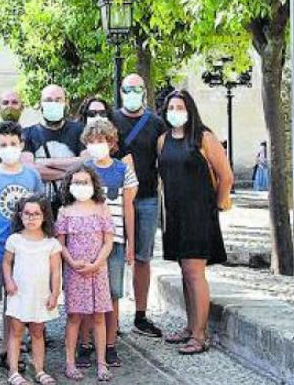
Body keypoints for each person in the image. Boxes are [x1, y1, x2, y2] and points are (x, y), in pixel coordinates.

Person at [158, 90, 232, 355]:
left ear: (189, 109)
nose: (175, 111)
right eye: (171, 107)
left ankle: (201, 336)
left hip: (199, 214)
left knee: (194, 272)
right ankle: (190, 327)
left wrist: (218, 205)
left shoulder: (204, 138)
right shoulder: (163, 140)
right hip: (175, 215)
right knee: (184, 272)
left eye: (180, 106)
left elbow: (226, 175)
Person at [0, 121, 44, 371]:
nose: (9, 148)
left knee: (14, 306)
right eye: (3, 144)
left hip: (22, 253)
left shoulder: (32, 176)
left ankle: (7, 352)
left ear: (21, 145)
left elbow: (41, 213)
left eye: (13, 143)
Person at [111, 74, 167, 338]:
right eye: (128, 88)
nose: (132, 92)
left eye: (137, 89)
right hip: (114, 198)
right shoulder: (111, 119)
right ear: (121, 91)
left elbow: (165, 159)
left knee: (142, 258)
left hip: (145, 198)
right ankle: (112, 318)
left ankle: (141, 316)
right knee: (115, 257)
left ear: (145, 91)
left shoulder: (156, 123)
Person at [79, 120, 137, 368]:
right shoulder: (83, 170)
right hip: (85, 242)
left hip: (114, 242)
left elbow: (128, 210)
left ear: (112, 143)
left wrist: (130, 244)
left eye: (101, 141)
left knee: (112, 294)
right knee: (85, 295)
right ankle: (84, 344)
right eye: (91, 142)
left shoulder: (123, 171)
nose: (96, 146)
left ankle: (110, 345)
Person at [56, 165, 114, 382]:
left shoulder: (102, 208)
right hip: (75, 271)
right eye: (76, 182)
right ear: (69, 185)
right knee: (74, 317)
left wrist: (97, 263)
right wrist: (71, 262)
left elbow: (108, 241)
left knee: (99, 317)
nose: (81, 186)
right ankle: (70, 363)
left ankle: (101, 363)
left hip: (98, 271)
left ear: (93, 184)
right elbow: (60, 243)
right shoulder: (65, 211)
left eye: (85, 182)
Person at [2, 193, 61, 385]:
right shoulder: (14, 240)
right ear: (20, 215)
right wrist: (8, 281)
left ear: (44, 216)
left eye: (36, 213)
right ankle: (13, 371)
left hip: (40, 295)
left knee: (37, 332)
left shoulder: (51, 243)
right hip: (19, 293)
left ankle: (39, 370)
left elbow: (55, 271)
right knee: (16, 332)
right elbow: (6, 263)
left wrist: (55, 293)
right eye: (27, 213)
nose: (31, 217)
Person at [22, 85, 84, 216]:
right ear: (41, 104)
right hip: (40, 211)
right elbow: (30, 170)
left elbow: (86, 162)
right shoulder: (28, 133)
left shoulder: (79, 130)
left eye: (58, 100)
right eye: (48, 100)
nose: (53, 104)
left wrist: (45, 163)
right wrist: (70, 171)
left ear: (66, 103)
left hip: (73, 208)